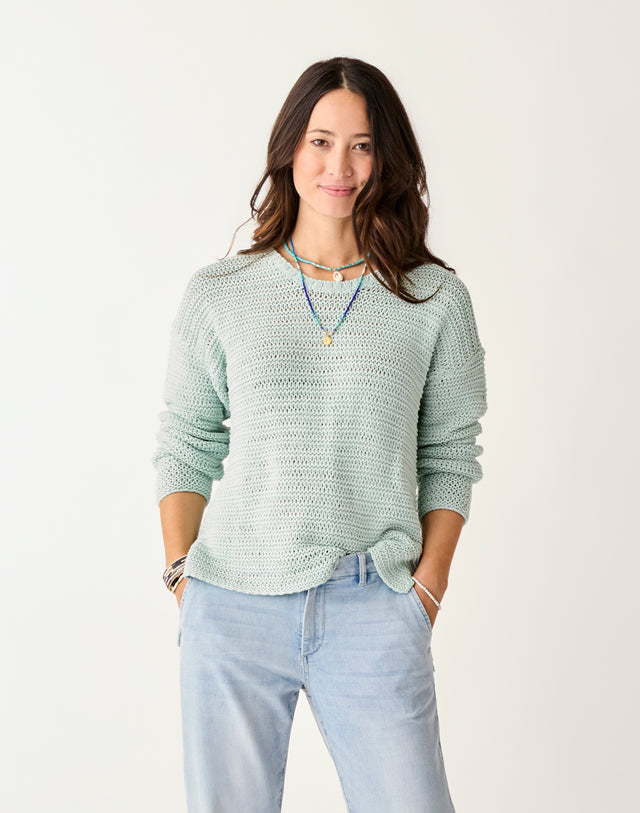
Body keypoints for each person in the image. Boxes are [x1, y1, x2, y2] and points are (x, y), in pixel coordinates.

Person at [152, 56, 487, 813]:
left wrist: (426, 590)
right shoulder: (220, 293)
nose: (341, 166)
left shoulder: (435, 299)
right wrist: (182, 577)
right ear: (289, 149)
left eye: (362, 145)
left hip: (375, 602)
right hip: (232, 603)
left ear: (385, 157)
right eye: (321, 141)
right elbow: (186, 443)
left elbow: (449, 454)